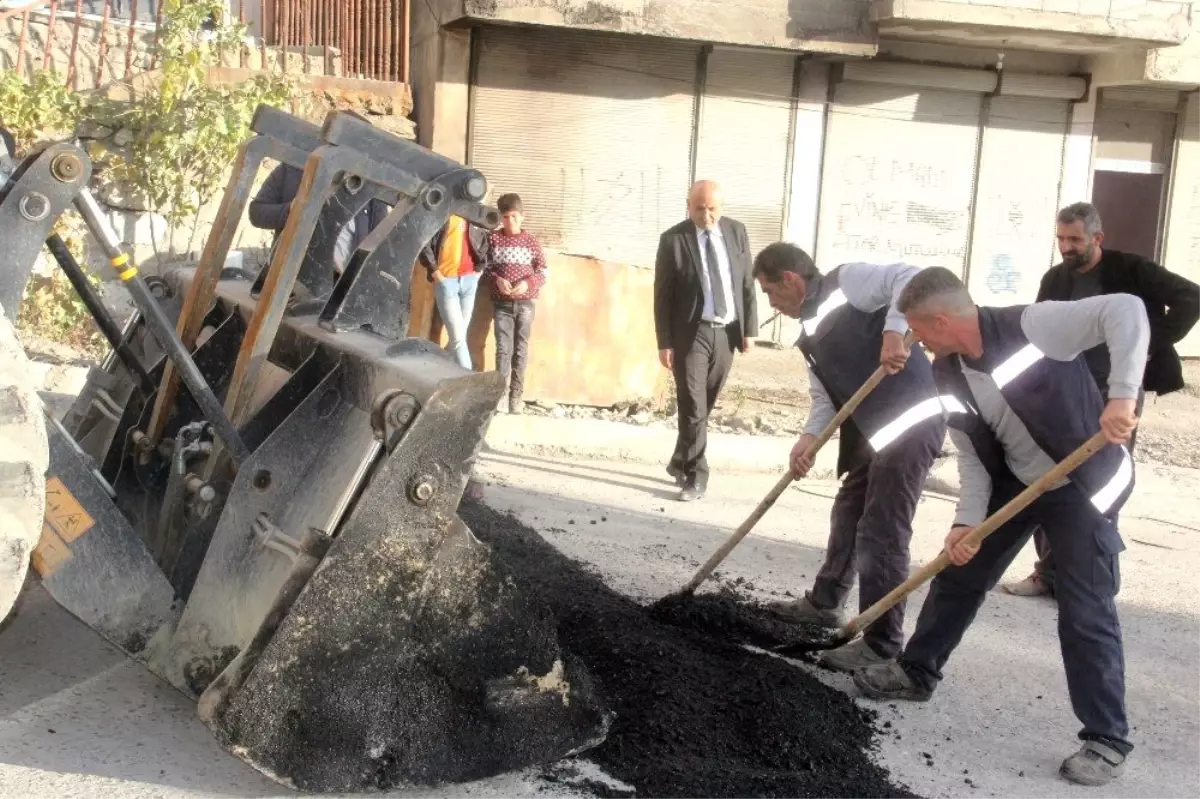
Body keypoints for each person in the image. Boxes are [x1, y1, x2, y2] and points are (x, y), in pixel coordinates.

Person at [853, 266, 1148, 787]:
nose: (916, 342)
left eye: (919, 331)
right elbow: (971, 456)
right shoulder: (948, 371)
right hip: (1014, 480)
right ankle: (916, 672)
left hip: (1079, 482)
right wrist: (967, 522)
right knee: (959, 574)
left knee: (1084, 608)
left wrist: (1123, 394)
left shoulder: (1036, 325)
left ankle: (1106, 738)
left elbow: (1126, 308)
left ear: (941, 321)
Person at [753, 243, 946, 672]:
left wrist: (894, 331)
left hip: (911, 424)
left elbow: (910, 275)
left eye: (769, 291)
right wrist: (808, 439)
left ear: (791, 279)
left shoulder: (847, 282)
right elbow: (826, 397)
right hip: (873, 435)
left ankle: (880, 643)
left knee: (882, 531)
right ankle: (825, 603)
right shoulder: (808, 335)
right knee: (848, 511)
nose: (769, 302)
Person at [1004, 201, 1200, 599]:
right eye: (1060, 238)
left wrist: (1149, 341)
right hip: (1067, 387)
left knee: (1103, 479)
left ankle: (1091, 579)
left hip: (1119, 392)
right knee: (1055, 474)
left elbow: (1192, 297)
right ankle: (1049, 574)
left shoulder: (1132, 270)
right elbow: (1042, 327)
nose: (1066, 247)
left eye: (1074, 239)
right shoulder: (1055, 279)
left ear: (1098, 238)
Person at [653, 180, 757, 501]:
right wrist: (664, 341)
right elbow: (662, 296)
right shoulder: (674, 240)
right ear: (689, 205)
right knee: (693, 404)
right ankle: (697, 476)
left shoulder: (737, 232)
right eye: (700, 209)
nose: (707, 215)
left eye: (712, 209)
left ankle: (680, 459)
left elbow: (746, 282)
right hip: (691, 332)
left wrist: (749, 329)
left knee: (704, 403)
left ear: (721, 208)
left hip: (726, 331)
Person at [487, 193, 547, 414]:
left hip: (525, 304)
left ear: (522, 217)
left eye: (513, 216)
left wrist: (528, 283)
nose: (509, 222)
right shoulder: (493, 239)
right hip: (501, 304)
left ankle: (516, 398)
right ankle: (499, 399)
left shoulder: (531, 242)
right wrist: (497, 279)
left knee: (520, 350)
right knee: (503, 350)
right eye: (505, 217)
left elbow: (543, 271)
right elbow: (486, 268)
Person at [418, 214, 490, 370]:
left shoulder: (472, 215)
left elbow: (484, 240)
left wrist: (479, 270)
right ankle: (469, 380)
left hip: (469, 280)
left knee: (459, 337)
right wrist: (435, 272)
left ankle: (439, 367)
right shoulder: (441, 213)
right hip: (446, 282)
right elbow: (424, 241)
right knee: (458, 339)